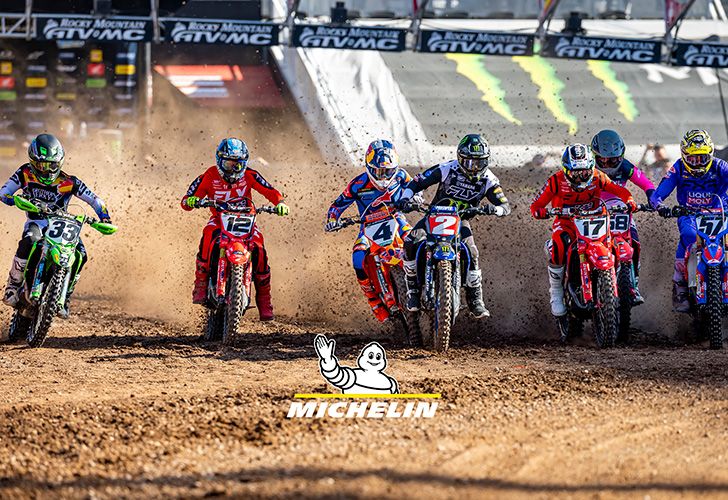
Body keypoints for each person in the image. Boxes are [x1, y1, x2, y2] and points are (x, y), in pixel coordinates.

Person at [397, 133, 511, 318]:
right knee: (410, 242)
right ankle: (413, 291)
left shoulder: (489, 179)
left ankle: (476, 300)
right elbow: (417, 182)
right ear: (460, 158)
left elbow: (505, 205)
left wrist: (494, 209)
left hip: (460, 220)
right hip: (434, 216)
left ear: (487, 161)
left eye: (479, 162)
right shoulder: (446, 169)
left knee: (472, 252)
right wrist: (405, 198)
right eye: (469, 162)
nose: (474, 168)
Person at [0, 133, 112, 318]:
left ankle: (65, 296)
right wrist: (14, 199)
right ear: (32, 161)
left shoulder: (70, 181)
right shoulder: (24, 173)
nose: (46, 170)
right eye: (41, 165)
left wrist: (104, 218)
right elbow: (4, 192)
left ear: (59, 162)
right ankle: (12, 286)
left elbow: (95, 200)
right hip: (37, 222)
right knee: (29, 241)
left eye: (51, 165)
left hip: (63, 224)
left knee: (81, 254)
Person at [181, 138, 289, 321]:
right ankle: (200, 283)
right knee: (208, 234)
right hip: (219, 220)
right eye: (229, 164)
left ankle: (264, 300)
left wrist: (280, 203)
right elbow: (187, 201)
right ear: (219, 161)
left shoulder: (250, 175)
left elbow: (270, 190)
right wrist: (191, 200)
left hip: (246, 221)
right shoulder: (209, 175)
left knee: (259, 247)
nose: (233, 169)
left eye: (238, 164)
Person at [530, 143, 637, 319]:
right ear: (566, 170)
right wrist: (540, 211)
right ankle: (556, 291)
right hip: (567, 223)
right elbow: (536, 204)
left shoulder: (598, 177)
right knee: (560, 242)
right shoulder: (555, 181)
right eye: (576, 173)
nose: (581, 177)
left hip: (595, 220)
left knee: (616, 239)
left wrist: (629, 200)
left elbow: (620, 191)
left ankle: (624, 284)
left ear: (591, 168)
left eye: (585, 172)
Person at [325, 139, 414, 323]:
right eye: (379, 172)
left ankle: (432, 284)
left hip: (396, 218)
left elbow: (416, 187)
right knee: (358, 258)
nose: (383, 177)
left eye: (388, 171)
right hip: (368, 227)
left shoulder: (401, 176)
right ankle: (374, 301)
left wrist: (416, 198)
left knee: (416, 241)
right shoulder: (358, 184)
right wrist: (333, 220)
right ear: (369, 167)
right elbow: (337, 205)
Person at [649, 129, 728, 312]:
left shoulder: (720, 166)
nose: (697, 163)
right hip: (690, 214)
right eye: (692, 159)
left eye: (702, 158)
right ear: (684, 155)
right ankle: (680, 284)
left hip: (721, 214)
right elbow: (659, 193)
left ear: (710, 154)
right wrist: (660, 206)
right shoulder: (678, 168)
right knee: (689, 235)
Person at [591, 129, 655, 303]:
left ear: (621, 156)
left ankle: (633, 285)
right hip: (592, 210)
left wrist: (653, 198)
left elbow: (646, 183)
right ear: (594, 156)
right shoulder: (587, 167)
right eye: (603, 160)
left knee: (634, 241)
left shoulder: (626, 166)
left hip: (620, 209)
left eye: (613, 160)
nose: (608, 164)